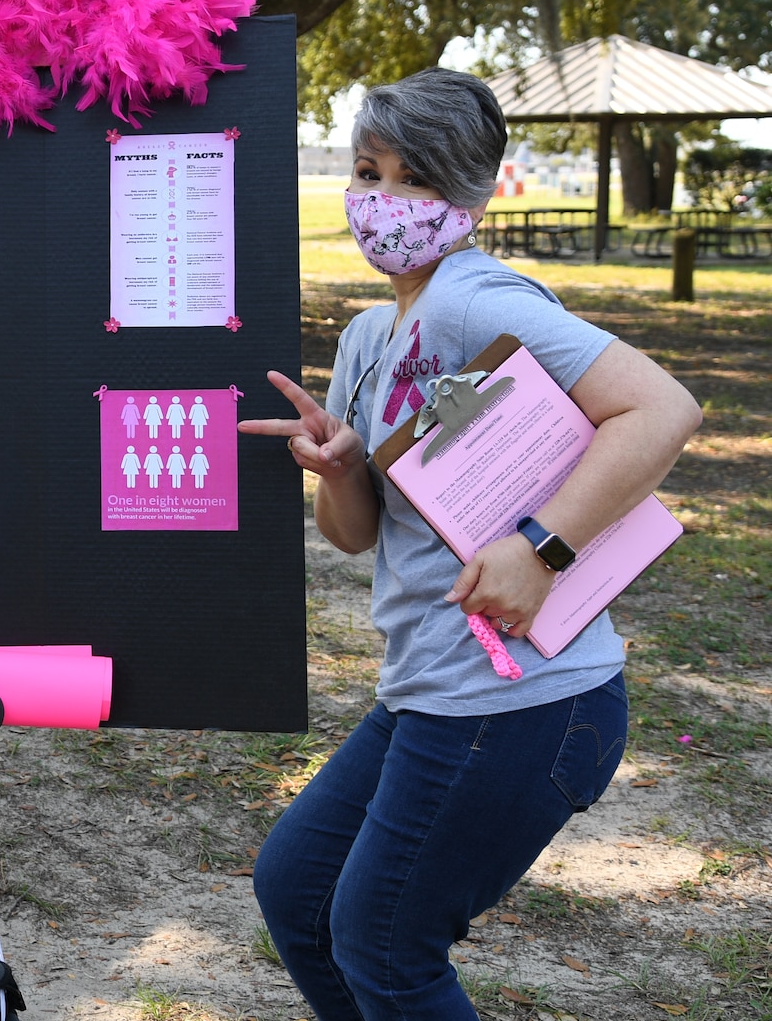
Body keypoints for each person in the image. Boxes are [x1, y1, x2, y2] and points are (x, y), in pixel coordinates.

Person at [240, 68, 701, 1021]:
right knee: (298, 890)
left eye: (418, 180)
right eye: (369, 171)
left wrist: (541, 548)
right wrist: (337, 470)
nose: (384, 201)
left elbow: (663, 406)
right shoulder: (374, 333)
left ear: (474, 194)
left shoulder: (468, 301)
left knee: (381, 938)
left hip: (530, 702)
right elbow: (356, 536)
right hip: (427, 691)